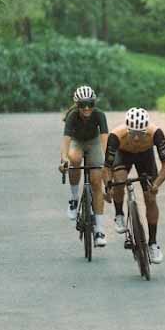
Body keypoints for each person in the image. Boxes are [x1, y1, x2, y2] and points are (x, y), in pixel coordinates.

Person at [105, 107, 165, 265]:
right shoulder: (116, 136)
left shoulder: (156, 134)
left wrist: (156, 184)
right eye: (132, 133)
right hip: (123, 154)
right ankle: (119, 214)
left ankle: (153, 243)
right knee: (119, 180)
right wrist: (108, 187)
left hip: (145, 156)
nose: (136, 138)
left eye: (140, 134)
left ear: (146, 130)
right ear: (127, 129)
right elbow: (107, 167)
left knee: (150, 197)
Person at [59, 85, 110, 247]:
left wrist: (108, 161)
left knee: (96, 181)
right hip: (77, 142)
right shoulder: (72, 116)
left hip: (93, 143)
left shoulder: (100, 115)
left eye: (90, 104)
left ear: (94, 103)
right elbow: (66, 142)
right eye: (82, 105)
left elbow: (104, 140)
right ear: (77, 105)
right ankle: (74, 199)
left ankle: (100, 230)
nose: (87, 108)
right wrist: (64, 159)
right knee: (74, 160)